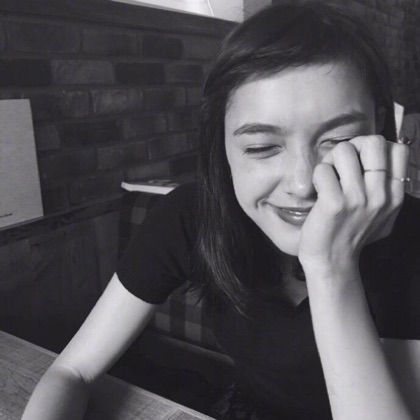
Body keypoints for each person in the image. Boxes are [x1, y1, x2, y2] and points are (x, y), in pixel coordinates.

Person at [22, 2, 420, 419]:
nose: (303, 185)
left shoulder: (411, 240)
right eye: (262, 147)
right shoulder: (190, 217)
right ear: (222, 147)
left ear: (379, 130)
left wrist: (331, 266)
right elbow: (72, 371)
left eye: (337, 142)